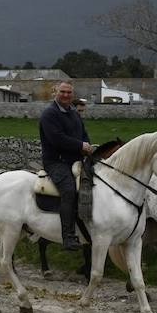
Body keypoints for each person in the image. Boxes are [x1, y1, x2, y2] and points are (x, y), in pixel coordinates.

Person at [39, 81, 93, 251]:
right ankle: (68, 236)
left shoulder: (74, 114)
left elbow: (83, 135)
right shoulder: (49, 114)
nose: (66, 95)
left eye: (69, 92)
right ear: (56, 92)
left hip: (75, 160)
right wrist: (80, 146)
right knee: (68, 190)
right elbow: (57, 139)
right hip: (56, 162)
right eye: (63, 91)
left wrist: (87, 147)